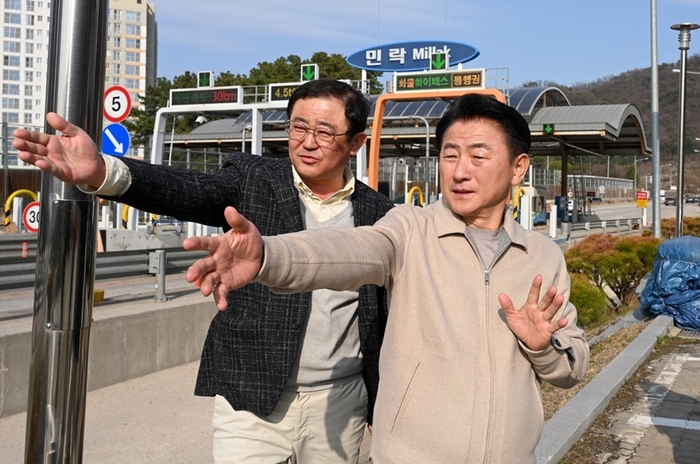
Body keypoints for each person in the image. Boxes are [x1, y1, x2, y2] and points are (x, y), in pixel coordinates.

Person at [182, 93, 591, 463]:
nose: (460, 172)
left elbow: (571, 368)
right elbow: (346, 251)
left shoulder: (541, 256)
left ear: (518, 167)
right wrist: (270, 255)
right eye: (450, 156)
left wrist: (544, 347)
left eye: (478, 156)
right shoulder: (409, 229)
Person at [12, 79, 395, 463]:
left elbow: (382, 318)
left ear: (356, 143)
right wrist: (104, 172)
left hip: (339, 401)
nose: (308, 142)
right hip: (250, 396)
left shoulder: (378, 215)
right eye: (299, 127)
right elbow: (187, 188)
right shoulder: (253, 180)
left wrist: (381, 401)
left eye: (324, 132)